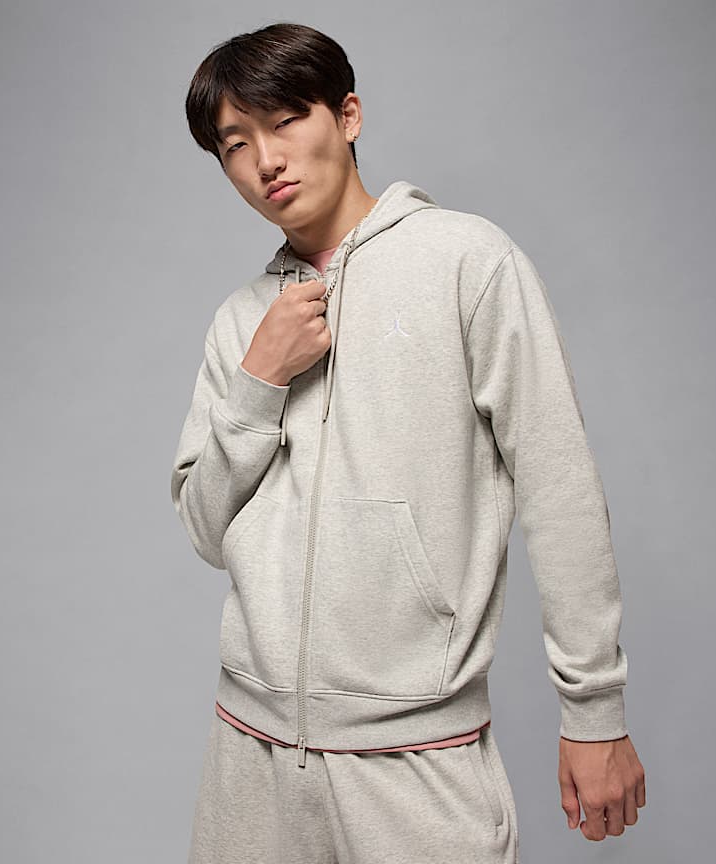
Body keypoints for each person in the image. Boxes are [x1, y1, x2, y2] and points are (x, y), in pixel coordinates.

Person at [170, 20, 646, 864]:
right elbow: (207, 530)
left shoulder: (467, 263)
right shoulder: (242, 321)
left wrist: (594, 713)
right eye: (235, 144)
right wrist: (259, 381)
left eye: (285, 121)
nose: (265, 161)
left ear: (348, 115)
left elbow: (560, 489)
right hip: (247, 756)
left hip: (415, 756)